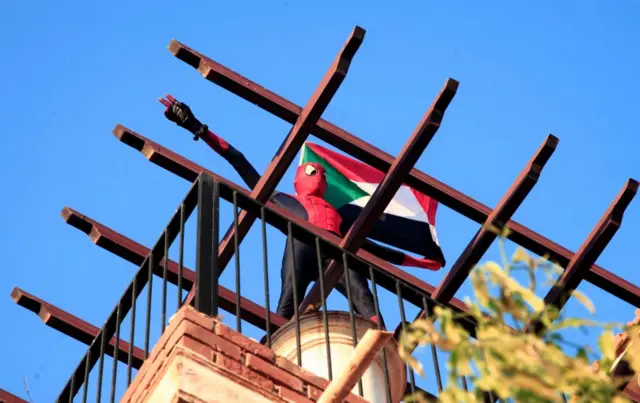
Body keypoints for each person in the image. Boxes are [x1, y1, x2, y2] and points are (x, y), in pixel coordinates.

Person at [159, 95, 437, 327]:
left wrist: (421, 262)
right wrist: (197, 127)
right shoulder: (282, 201)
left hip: (336, 250)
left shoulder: (342, 215)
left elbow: (373, 247)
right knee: (289, 299)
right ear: (298, 179)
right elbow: (239, 162)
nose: (319, 176)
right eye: (313, 171)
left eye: (322, 175)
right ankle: (274, 342)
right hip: (301, 245)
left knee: (364, 296)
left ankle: (381, 338)